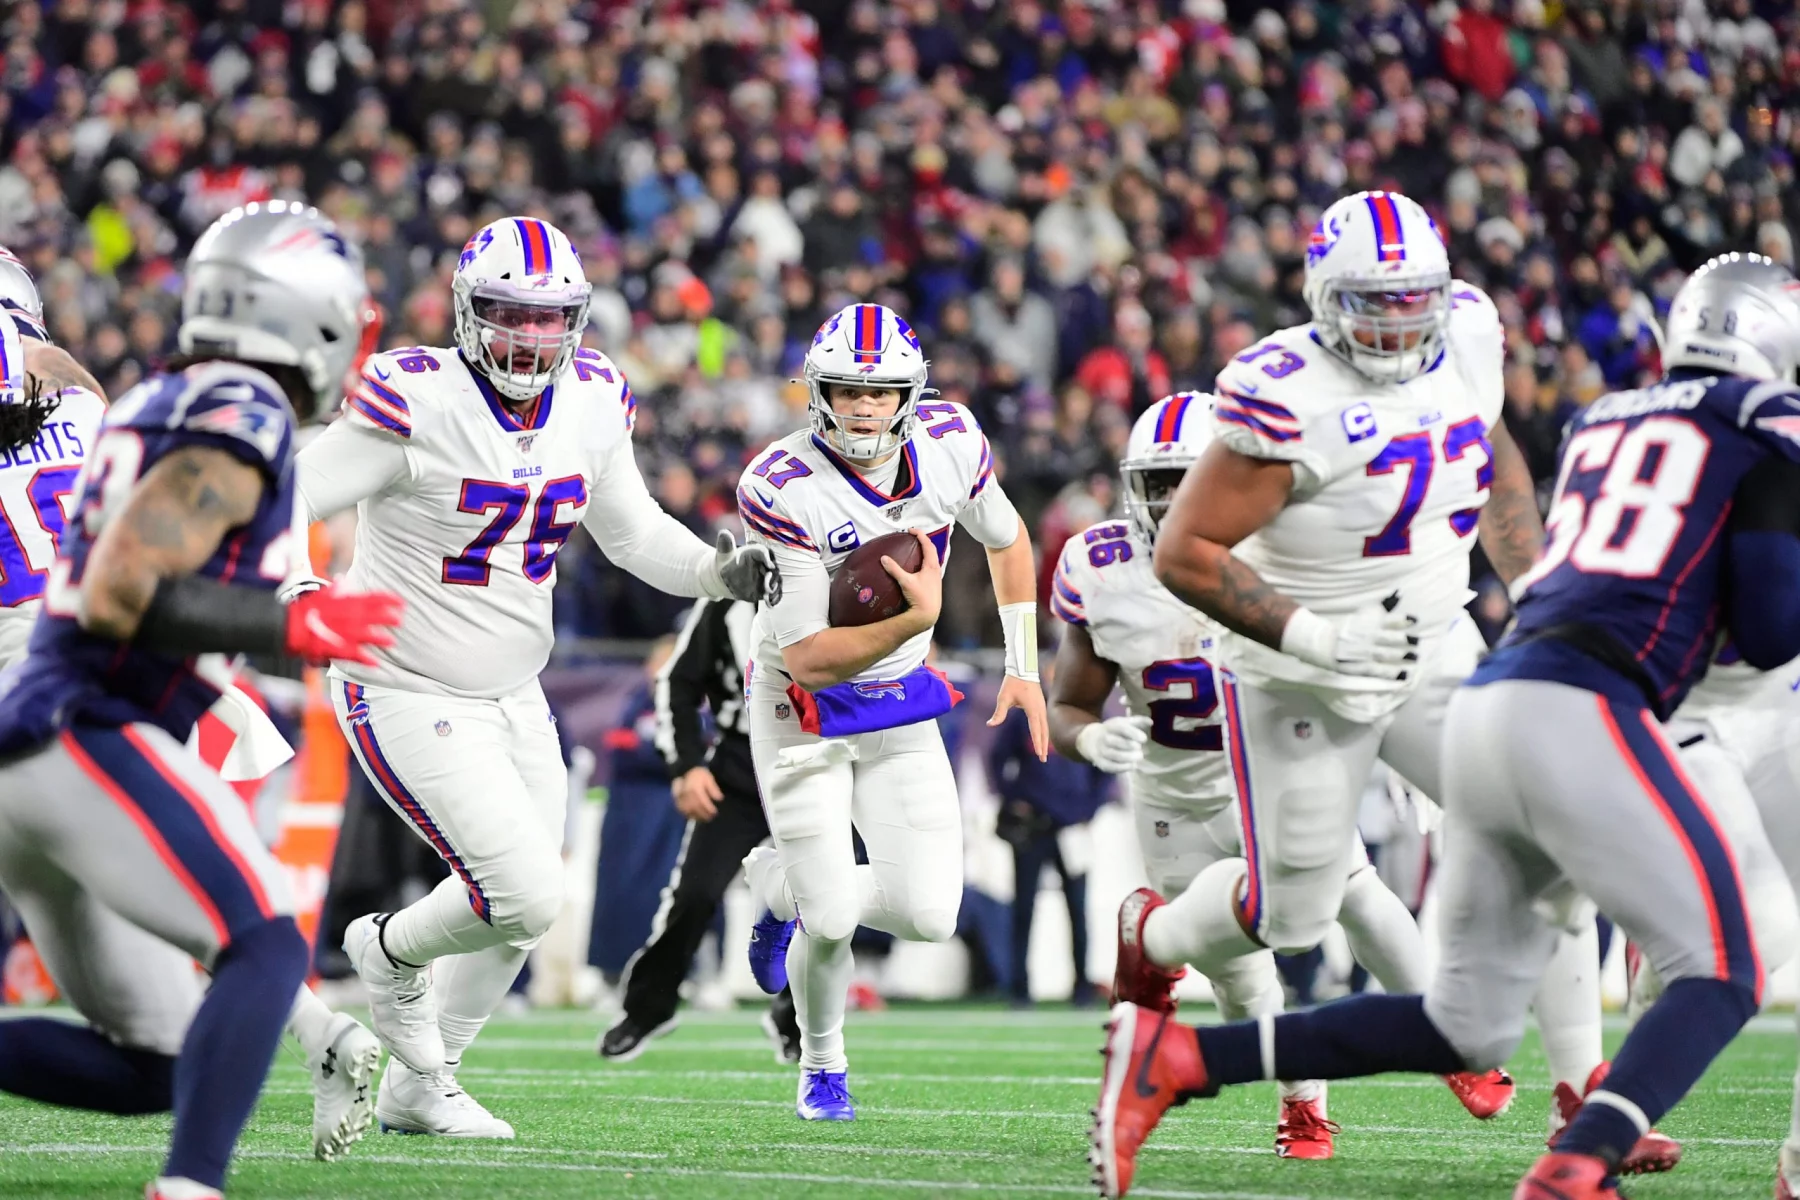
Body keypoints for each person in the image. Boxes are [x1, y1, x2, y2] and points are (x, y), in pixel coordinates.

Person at [1092, 252, 1800, 1200]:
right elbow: (1764, 626)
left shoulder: (1593, 413)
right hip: (1361, 667)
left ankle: (1176, 1061)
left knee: (1465, 1023)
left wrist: (1532, 577)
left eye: (1410, 303)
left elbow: (1512, 480)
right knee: (1719, 963)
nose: (1395, 325)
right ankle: (1579, 1159)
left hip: (1467, 663)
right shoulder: (1763, 424)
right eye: (1372, 305)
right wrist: (1317, 635)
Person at [295, 214, 781, 1138]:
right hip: (401, 680)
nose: (528, 338)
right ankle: (387, 950)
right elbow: (290, 488)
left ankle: (421, 1085)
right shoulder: (417, 395)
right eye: (508, 315)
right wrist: (296, 589)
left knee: (520, 912)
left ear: (578, 322)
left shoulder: (595, 398)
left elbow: (633, 533)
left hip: (517, 690)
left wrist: (716, 571)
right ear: (467, 312)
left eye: (549, 318)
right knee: (522, 890)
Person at [0, 202, 404, 1200]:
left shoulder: (159, 397)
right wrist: (288, 625)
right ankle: (193, 1185)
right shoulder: (232, 408)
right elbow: (120, 591)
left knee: (158, 1060)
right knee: (264, 937)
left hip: (46, 737)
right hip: (82, 723)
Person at [1051, 391, 1506, 1160]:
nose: (1166, 500)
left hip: (1272, 767)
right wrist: (1089, 740)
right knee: (1243, 982)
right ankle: (1302, 1108)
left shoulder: (1286, 551)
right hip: (1173, 799)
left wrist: (1406, 741)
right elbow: (1069, 701)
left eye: (1183, 479)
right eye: (1154, 482)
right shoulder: (1101, 567)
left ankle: (1448, 1037)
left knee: (1355, 893)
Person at [735, 302, 1049, 1121]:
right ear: (817, 393)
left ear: (912, 393)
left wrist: (1024, 665)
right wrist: (913, 621)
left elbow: (1009, 541)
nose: (865, 409)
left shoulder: (951, 443)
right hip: (799, 703)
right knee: (832, 913)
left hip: (899, 702)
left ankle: (777, 885)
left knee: (929, 913)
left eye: (881, 394)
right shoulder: (781, 484)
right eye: (846, 391)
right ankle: (823, 1063)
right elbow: (807, 655)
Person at [599, 599, 801, 1063]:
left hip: (819, 761)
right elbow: (678, 680)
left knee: (826, 900)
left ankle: (798, 1017)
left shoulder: (839, 579)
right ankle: (649, 1007)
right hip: (740, 763)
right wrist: (687, 765)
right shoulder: (728, 599)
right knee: (694, 894)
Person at [989, 652, 1107, 1008]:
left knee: (1078, 908)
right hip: (1035, 826)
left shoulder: (1085, 713)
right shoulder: (1025, 713)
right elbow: (997, 760)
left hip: (1072, 825)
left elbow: (1105, 767)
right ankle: (1019, 988)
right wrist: (1016, 800)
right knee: (1024, 908)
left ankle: (1082, 987)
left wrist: (1088, 808)